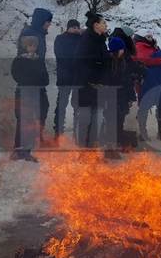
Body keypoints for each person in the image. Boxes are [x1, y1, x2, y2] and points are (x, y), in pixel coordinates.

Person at [74, 12, 109, 148]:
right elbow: (81, 63)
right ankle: (82, 148)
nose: (106, 25)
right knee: (85, 118)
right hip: (86, 86)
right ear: (96, 25)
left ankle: (92, 148)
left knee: (97, 118)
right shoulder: (87, 40)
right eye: (104, 23)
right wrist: (92, 79)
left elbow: (103, 63)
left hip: (99, 86)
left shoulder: (101, 41)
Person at [11, 35, 48, 162]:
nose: (33, 48)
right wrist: (32, 80)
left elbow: (45, 79)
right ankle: (18, 150)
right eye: (30, 45)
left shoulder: (39, 60)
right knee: (22, 120)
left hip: (37, 94)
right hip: (24, 93)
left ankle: (27, 150)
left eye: (34, 46)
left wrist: (37, 82)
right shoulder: (19, 60)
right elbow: (17, 76)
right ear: (25, 46)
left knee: (32, 121)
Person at [18, 7, 53, 141]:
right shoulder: (30, 34)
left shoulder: (39, 34)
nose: (49, 24)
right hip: (29, 80)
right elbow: (25, 58)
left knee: (43, 107)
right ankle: (24, 144)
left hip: (37, 79)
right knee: (29, 111)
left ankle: (36, 136)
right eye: (48, 21)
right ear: (41, 21)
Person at [133, 32, 161, 145]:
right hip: (148, 82)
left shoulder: (153, 47)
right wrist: (160, 61)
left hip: (160, 81)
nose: (151, 38)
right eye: (148, 36)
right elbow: (141, 60)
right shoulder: (138, 46)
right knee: (144, 107)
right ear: (142, 37)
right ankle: (142, 132)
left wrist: (157, 49)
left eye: (151, 36)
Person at [100, 35, 130, 158]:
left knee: (119, 121)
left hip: (121, 96)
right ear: (116, 49)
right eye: (121, 49)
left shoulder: (122, 61)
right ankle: (109, 148)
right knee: (111, 122)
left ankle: (115, 146)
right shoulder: (108, 62)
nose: (123, 51)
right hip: (110, 96)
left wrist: (129, 96)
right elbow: (108, 80)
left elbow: (125, 80)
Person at [53, 19, 82, 140]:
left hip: (77, 78)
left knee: (77, 106)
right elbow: (60, 55)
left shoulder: (81, 39)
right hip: (65, 76)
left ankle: (77, 130)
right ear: (68, 27)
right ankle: (58, 130)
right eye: (73, 27)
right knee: (61, 105)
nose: (76, 29)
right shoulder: (60, 38)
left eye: (77, 27)